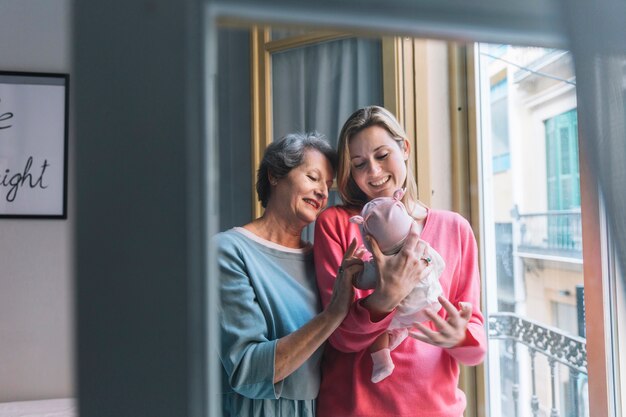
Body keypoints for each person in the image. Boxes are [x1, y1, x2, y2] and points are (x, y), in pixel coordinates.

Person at [314, 106, 486, 417]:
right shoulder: (339, 224)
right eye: (359, 164)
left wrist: (460, 336)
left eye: (382, 155)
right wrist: (385, 298)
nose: (374, 172)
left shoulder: (455, 228)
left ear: (404, 148)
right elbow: (337, 334)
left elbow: (475, 346)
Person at [215, 132, 363, 417]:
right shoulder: (229, 251)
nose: (322, 192)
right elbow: (247, 369)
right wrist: (332, 314)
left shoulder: (321, 257)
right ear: (274, 175)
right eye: (312, 177)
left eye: (327, 185)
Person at [349, 187, 445, 383]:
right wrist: (431, 279)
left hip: (404, 308)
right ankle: (402, 331)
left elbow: (360, 281)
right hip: (432, 301)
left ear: (370, 240)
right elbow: (439, 264)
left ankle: (383, 361)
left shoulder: (380, 264)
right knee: (403, 320)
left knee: (378, 327)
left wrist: (355, 272)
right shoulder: (421, 246)